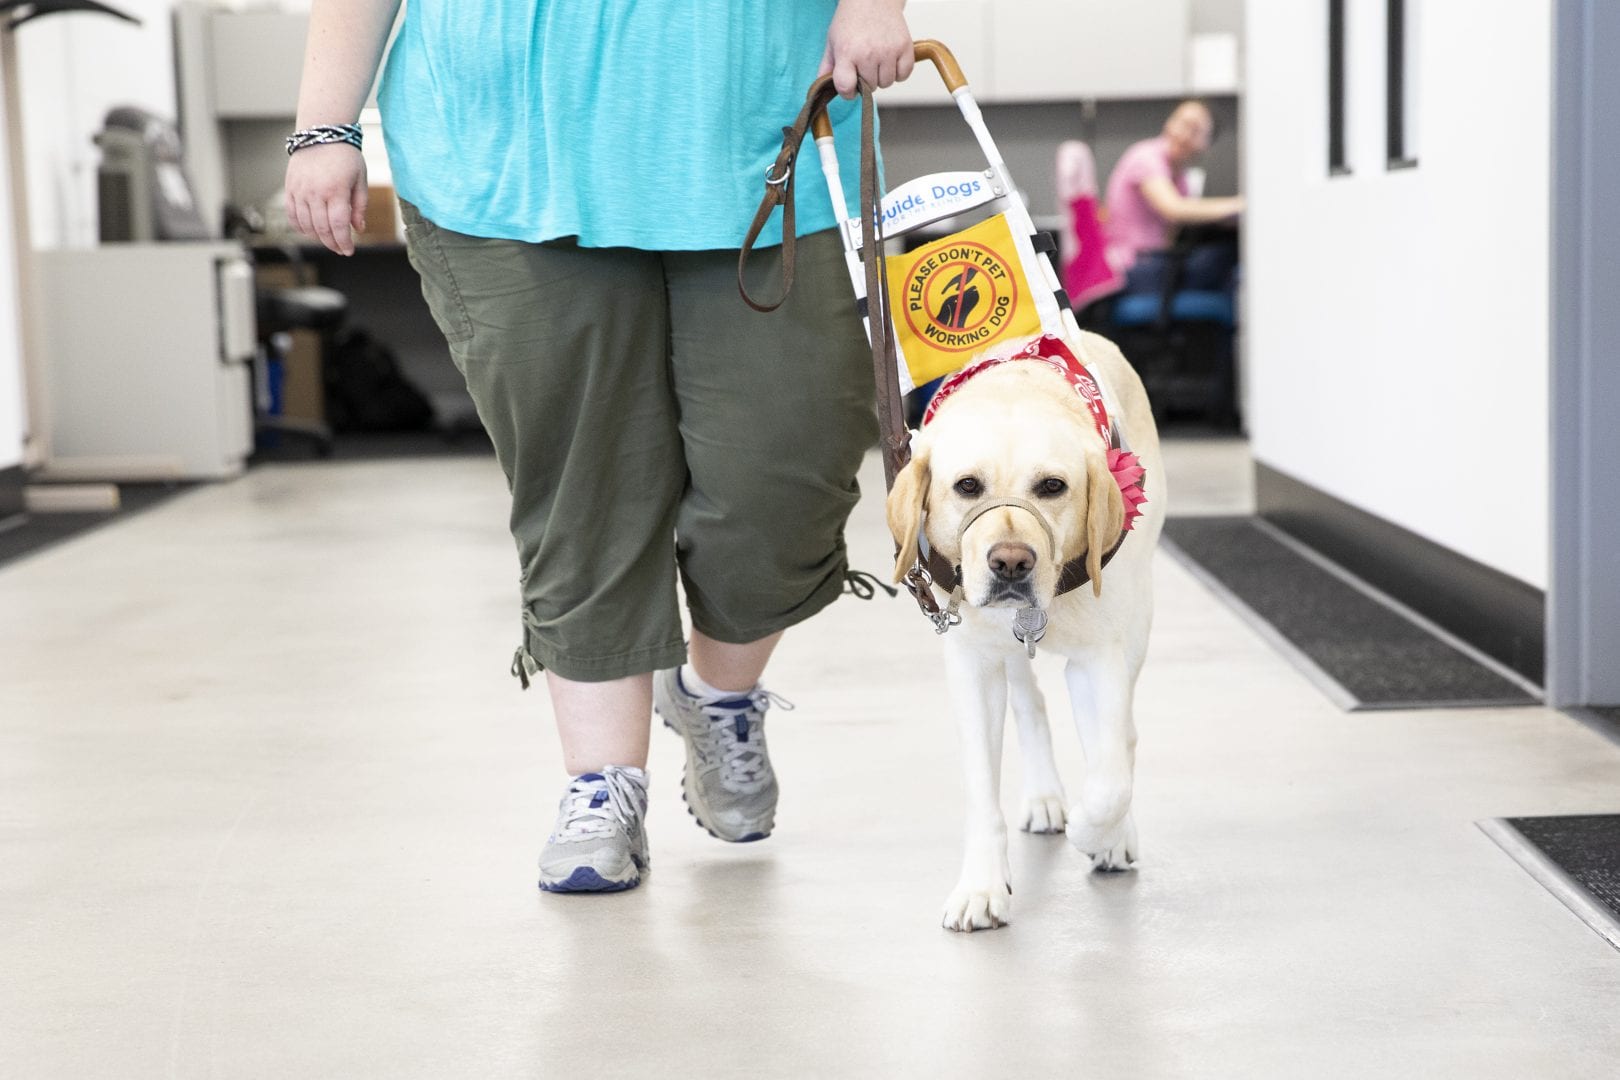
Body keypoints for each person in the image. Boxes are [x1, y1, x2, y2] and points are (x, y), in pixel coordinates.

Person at [284, 0, 913, 894]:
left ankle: (719, 696)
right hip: (505, 150)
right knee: (583, 478)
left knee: (787, 470)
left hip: (767, 133)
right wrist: (323, 126)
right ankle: (602, 785)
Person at [1102, 100, 1244, 296]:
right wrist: (1240, 204)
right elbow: (1174, 209)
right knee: (1228, 257)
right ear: (1168, 123)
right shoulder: (1146, 157)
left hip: (1153, 263)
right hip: (1132, 268)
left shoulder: (1180, 177)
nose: (1183, 134)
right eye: (1181, 123)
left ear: (1207, 145)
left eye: (1194, 130)